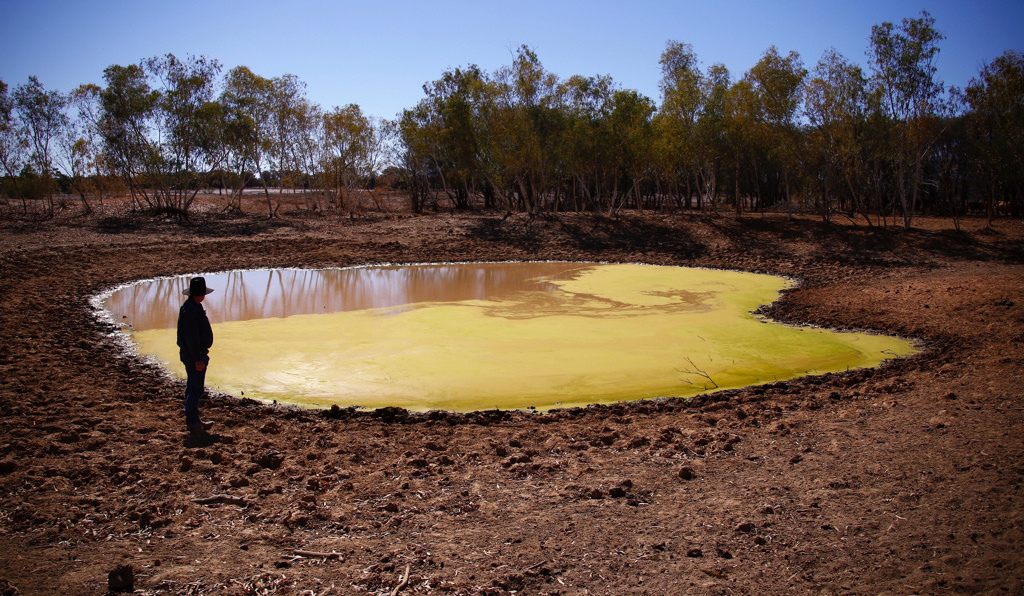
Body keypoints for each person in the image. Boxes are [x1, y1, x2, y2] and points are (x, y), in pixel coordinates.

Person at [177, 276, 214, 434]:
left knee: (194, 387)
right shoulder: (190, 310)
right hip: (194, 355)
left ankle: (193, 418)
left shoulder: (193, 306)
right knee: (195, 388)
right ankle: (192, 421)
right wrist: (198, 358)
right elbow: (191, 338)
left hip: (196, 353)